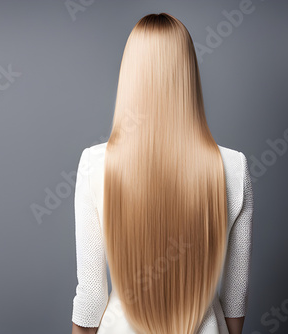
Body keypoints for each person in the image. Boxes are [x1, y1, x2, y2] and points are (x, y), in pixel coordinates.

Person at [71, 13, 254, 334]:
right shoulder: (234, 167)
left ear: (130, 75)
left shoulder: (94, 164)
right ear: (188, 75)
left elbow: (90, 297)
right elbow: (236, 294)